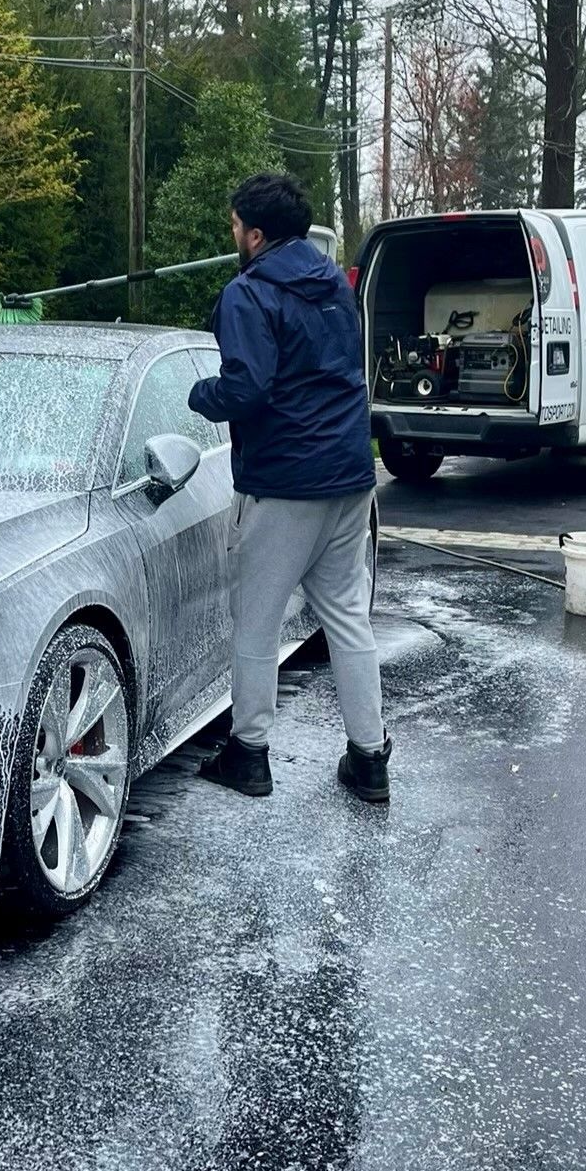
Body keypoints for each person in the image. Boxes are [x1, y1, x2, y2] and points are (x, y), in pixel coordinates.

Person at [187, 172, 389, 805]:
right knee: (348, 619)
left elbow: (246, 389)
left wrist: (198, 394)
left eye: (234, 226)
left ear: (254, 233)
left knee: (256, 623)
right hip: (351, 478)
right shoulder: (335, 286)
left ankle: (248, 755)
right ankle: (369, 758)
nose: (233, 237)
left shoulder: (248, 295)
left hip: (286, 485)